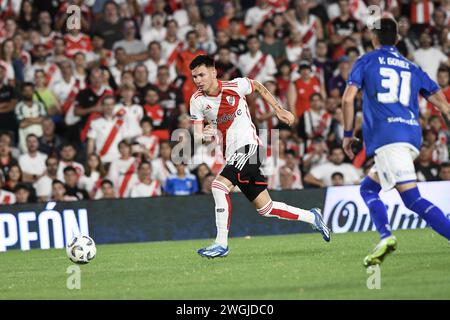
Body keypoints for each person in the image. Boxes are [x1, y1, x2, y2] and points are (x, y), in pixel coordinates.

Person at [189, 55, 330, 259]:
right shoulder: (197, 101)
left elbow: (257, 86)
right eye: (194, 77)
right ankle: (312, 216)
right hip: (233, 155)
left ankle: (221, 243)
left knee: (218, 186)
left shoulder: (236, 86)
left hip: (250, 147)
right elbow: (198, 134)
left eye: (201, 75)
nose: (198, 80)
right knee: (266, 208)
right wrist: (205, 134)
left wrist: (279, 110)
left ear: (213, 72)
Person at [342, 18, 450, 267]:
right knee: (368, 188)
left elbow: (348, 100)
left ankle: (387, 236)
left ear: (373, 37)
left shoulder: (366, 61)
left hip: (388, 138)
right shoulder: (412, 67)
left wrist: (348, 136)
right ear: (398, 40)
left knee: (412, 200)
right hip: (412, 137)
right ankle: (385, 237)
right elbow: (444, 105)